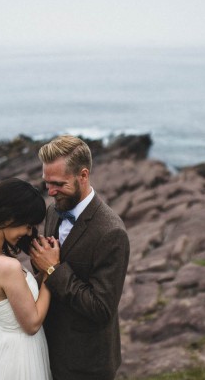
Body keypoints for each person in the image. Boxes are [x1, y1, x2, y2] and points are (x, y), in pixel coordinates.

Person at [30, 135, 130, 380]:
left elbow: (101, 308)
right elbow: (47, 268)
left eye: (58, 184)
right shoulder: (54, 211)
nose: (50, 191)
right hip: (48, 350)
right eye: (46, 183)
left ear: (83, 176)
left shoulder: (111, 232)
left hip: (87, 364)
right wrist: (39, 262)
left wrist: (54, 269)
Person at [0, 178, 56, 380]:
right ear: (9, 217)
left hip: (2, 345)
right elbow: (32, 323)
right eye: (27, 225)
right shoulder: (6, 267)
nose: (28, 231)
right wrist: (51, 270)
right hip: (21, 356)